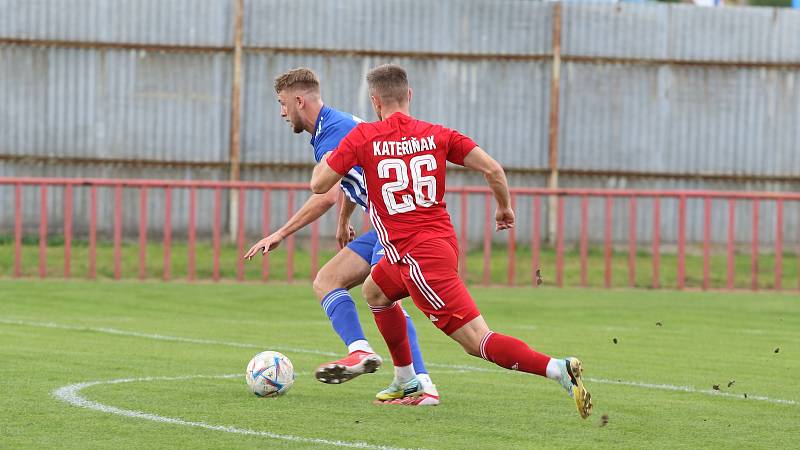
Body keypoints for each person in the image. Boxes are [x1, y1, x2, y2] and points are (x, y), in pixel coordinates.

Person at [310, 64, 592, 417]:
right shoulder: (438, 134)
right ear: (409, 95)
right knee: (374, 290)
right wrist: (504, 208)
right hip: (432, 246)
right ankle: (405, 379)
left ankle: (557, 368)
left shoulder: (362, 137)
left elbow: (320, 185)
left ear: (374, 101)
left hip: (419, 261)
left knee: (478, 342)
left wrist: (331, 154)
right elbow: (493, 169)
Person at [243, 68, 439, 405]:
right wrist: (344, 220)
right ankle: (361, 351)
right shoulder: (331, 126)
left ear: (299, 100)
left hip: (399, 227)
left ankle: (421, 382)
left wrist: (281, 232)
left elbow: (325, 193)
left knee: (386, 298)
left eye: (282, 103)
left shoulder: (332, 131)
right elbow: (351, 177)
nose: (281, 112)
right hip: (382, 226)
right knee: (327, 280)